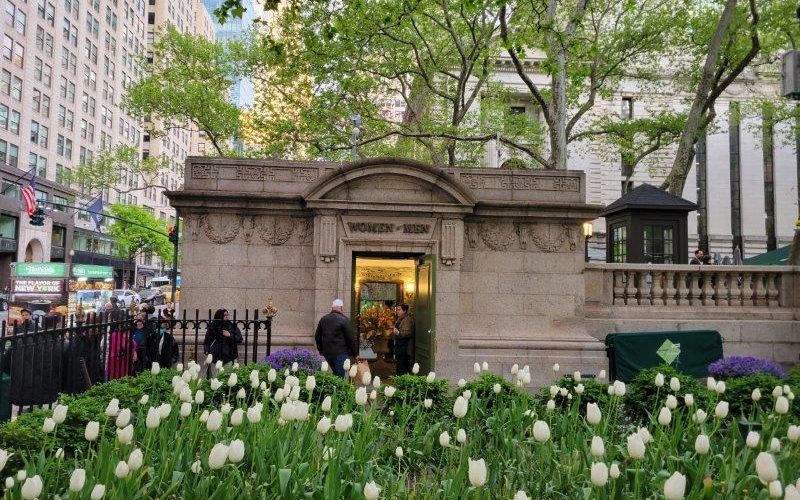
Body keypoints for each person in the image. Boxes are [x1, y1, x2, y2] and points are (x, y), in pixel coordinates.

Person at [314, 299, 358, 378]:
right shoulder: (344, 320)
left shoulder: (323, 319)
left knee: (336, 375)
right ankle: (338, 389)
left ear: (332, 308)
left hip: (327, 353)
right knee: (340, 377)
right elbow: (350, 339)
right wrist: (355, 354)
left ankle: (335, 389)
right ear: (341, 307)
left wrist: (320, 350)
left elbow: (317, 336)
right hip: (340, 353)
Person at [393, 303, 414, 375]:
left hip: (405, 348)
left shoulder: (407, 319)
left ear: (404, 311)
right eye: (397, 310)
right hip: (400, 347)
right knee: (400, 365)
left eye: (399, 310)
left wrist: (398, 333)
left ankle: (402, 382)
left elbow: (408, 333)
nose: (397, 311)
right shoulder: (400, 319)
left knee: (403, 366)